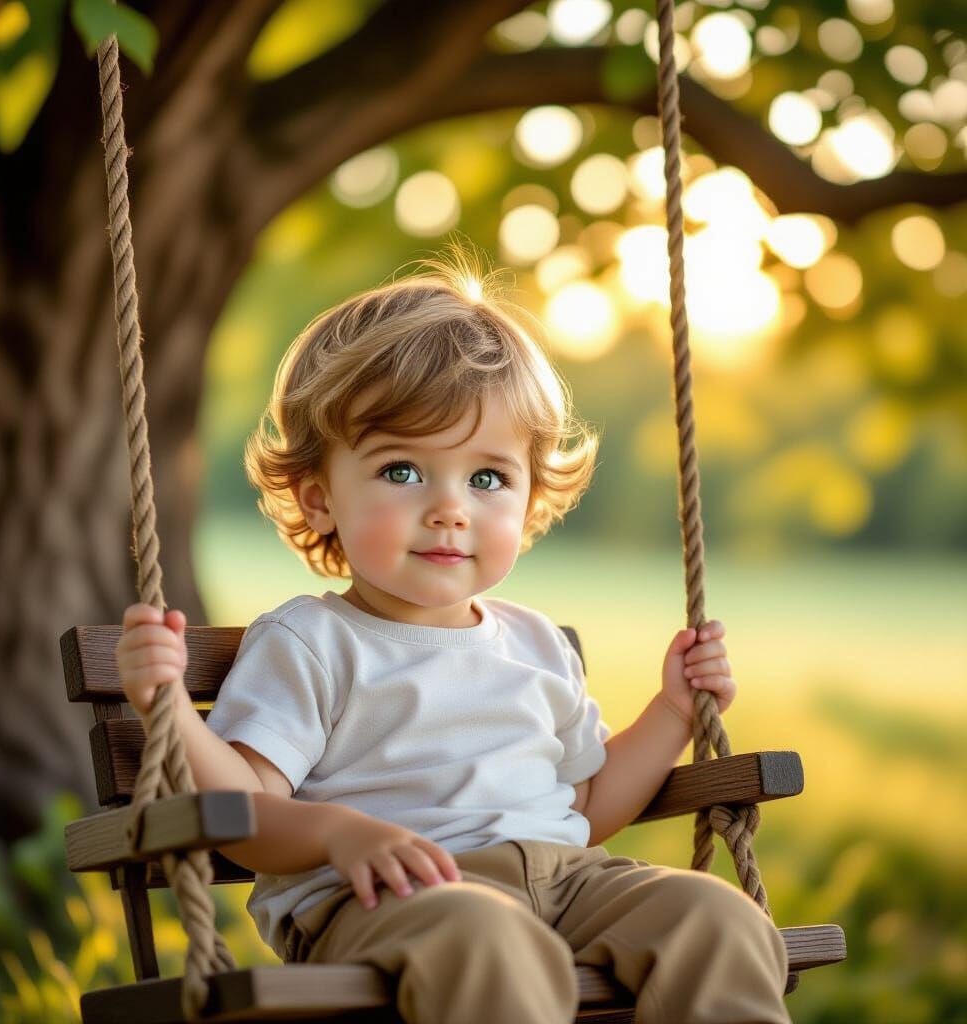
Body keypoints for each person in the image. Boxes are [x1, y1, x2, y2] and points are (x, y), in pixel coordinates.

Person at [115, 259, 790, 1024]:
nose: (449, 510)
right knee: (487, 936)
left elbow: (588, 805)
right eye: (402, 470)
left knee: (715, 917)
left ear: (533, 494)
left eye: (488, 479)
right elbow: (246, 811)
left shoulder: (536, 645)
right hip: (396, 902)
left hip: (565, 883)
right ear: (319, 497)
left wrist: (670, 713)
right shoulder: (312, 643)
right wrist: (168, 708)